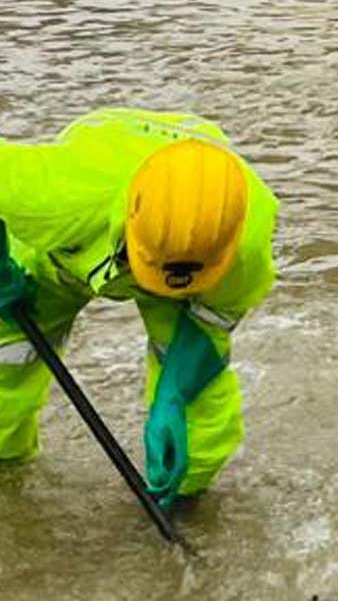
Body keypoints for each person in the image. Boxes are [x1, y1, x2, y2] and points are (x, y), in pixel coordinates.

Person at [0, 107, 278, 507]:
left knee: (199, 406)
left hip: (196, 249)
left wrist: (173, 397)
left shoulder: (246, 242)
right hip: (64, 253)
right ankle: (9, 476)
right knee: (7, 357)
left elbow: (209, 323)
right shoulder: (57, 190)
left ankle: (184, 499)